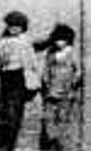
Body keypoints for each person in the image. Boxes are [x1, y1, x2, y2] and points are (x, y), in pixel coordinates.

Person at [0, 10, 40, 151]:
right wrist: (0, 72)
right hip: (5, 77)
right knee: (2, 113)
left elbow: (31, 63)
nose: (13, 29)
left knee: (13, 114)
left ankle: (9, 145)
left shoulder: (25, 42)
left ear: (23, 27)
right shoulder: (3, 41)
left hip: (19, 78)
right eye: (11, 26)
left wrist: (31, 82)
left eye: (17, 26)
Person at [38, 23, 81, 151]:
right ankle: (51, 143)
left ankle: (62, 146)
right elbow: (45, 70)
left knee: (63, 121)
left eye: (63, 40)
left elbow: (78, 71)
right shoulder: (50, 53)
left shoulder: (72, 53)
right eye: (57, 39)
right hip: (51, 92)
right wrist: (45, 82)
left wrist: (74, 82)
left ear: (68, 41)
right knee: (48, 121)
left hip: (66, 93)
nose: (59, 42)